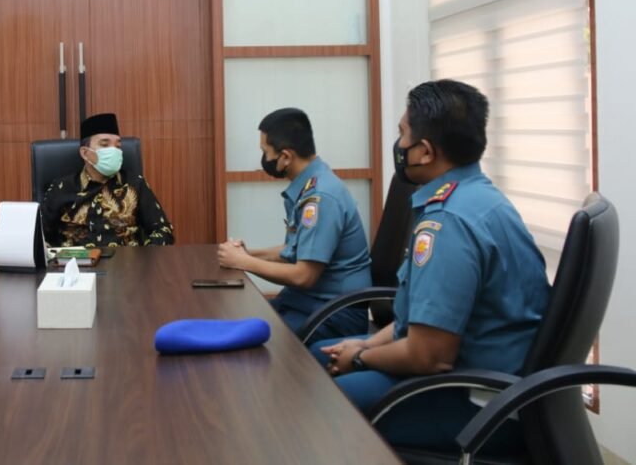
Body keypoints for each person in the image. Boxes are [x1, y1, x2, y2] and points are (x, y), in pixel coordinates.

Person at [310, 79, 550, 452]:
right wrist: (364, 343)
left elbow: (428, 356)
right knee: (320, 355)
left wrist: (360, 357)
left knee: (324, 405)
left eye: (402, 133)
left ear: (424, 151)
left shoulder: (447, 223)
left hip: (478, 404)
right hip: (486, 379)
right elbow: (417, 320)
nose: (398, 144)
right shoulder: (478, 198)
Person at [218, 108, 372, 339]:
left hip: (334, 312)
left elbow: (303, 275)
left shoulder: (320, 197)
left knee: (252, 341)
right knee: (239, 323)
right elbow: (295, 249)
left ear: (286, 157)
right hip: (306, 301)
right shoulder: (309, 185)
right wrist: (249, 254)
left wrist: (244, 262)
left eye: (266, 152)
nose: (264, 159)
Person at [40, 112, 174, 247]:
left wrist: (143, 255)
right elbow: (39, 235)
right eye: (105, 145)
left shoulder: (135, 184)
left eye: (118, 146)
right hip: (76, 259)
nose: (114, 151)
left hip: (127, 259)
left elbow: (163, 231)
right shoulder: (62, 187)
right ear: (85, 153)